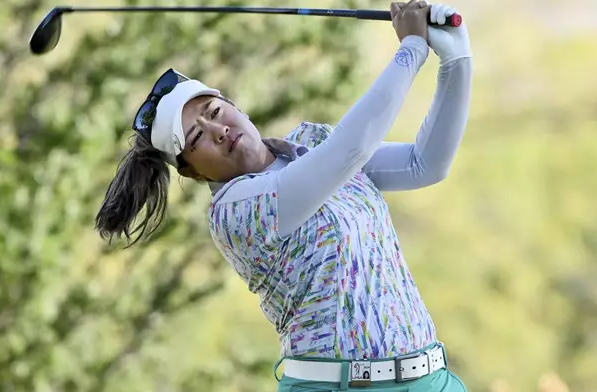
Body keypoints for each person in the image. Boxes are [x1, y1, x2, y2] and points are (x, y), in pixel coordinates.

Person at [94, 0, 473, 390]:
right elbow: (349, 151)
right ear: (191, 170)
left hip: (431, 378)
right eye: (196, 137)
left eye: (214, 110)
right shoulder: (235, 212)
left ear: (233, 104)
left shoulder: (314, 142)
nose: (217, 129)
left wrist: (456, 59)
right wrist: (410, 49)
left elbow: (424, 164)